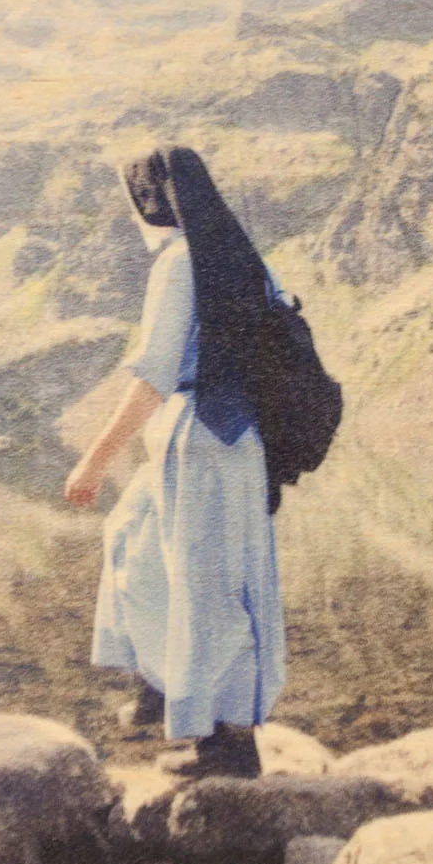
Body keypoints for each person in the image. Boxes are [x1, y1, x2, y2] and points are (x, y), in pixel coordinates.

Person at [64, 147, 286, 779]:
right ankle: (165, 683)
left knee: (210, 587)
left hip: (202, 439)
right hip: (231, 439)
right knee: (132, 537)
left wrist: (94, 460)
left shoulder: (179, 261)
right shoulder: (242, 256)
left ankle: (228, 743)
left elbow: (156, 373)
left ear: (147, 200)